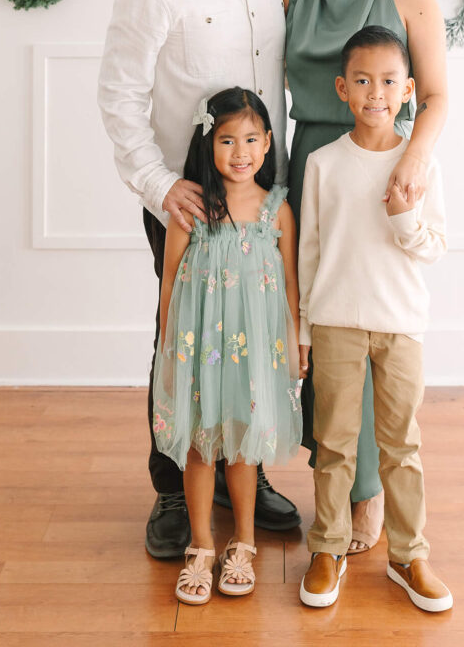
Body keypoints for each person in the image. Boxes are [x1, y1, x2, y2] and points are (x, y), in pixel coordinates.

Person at [98, 0, 301, 561]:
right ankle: (170, 489)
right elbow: (120, 94)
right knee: (183, 340)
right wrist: (160, 187)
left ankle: (244, 473)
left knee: (253, 335)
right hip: (189, 201)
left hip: (259, 199)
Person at [283, 0, 448, 553]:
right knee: (321, 322)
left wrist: (413, 158)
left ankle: (370, 490)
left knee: (376, 319)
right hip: (313, 162)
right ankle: (330, 474)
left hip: (385, 162)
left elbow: (434, 94)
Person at [297, 26, 452, 611]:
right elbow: (309, 252)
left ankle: (409, 555)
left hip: (401, 323)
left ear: (408, 90)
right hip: (335, 321)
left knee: (401, 445)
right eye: (362, 81)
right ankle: (328, 547)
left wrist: (405, 216)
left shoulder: (421, 165)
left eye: (389, 81)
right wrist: (304, 328)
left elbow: (434, 246)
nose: (375, 93)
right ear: (342, 88)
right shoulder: (322, 164)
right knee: (334, 443)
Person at [152, 88, 303, 604]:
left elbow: (290, 285)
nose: (241, 152)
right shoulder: (193, 208)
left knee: (242, 448)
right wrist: (169, 350)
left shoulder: (276, 210)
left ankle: (243, 542)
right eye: (227, 140)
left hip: (252, 354)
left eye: (251, 139)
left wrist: (294, 345)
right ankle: (200, 545)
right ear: (208, 143)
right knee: (200, 447)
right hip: (200, 350)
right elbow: (170, 284)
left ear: (268, 144)